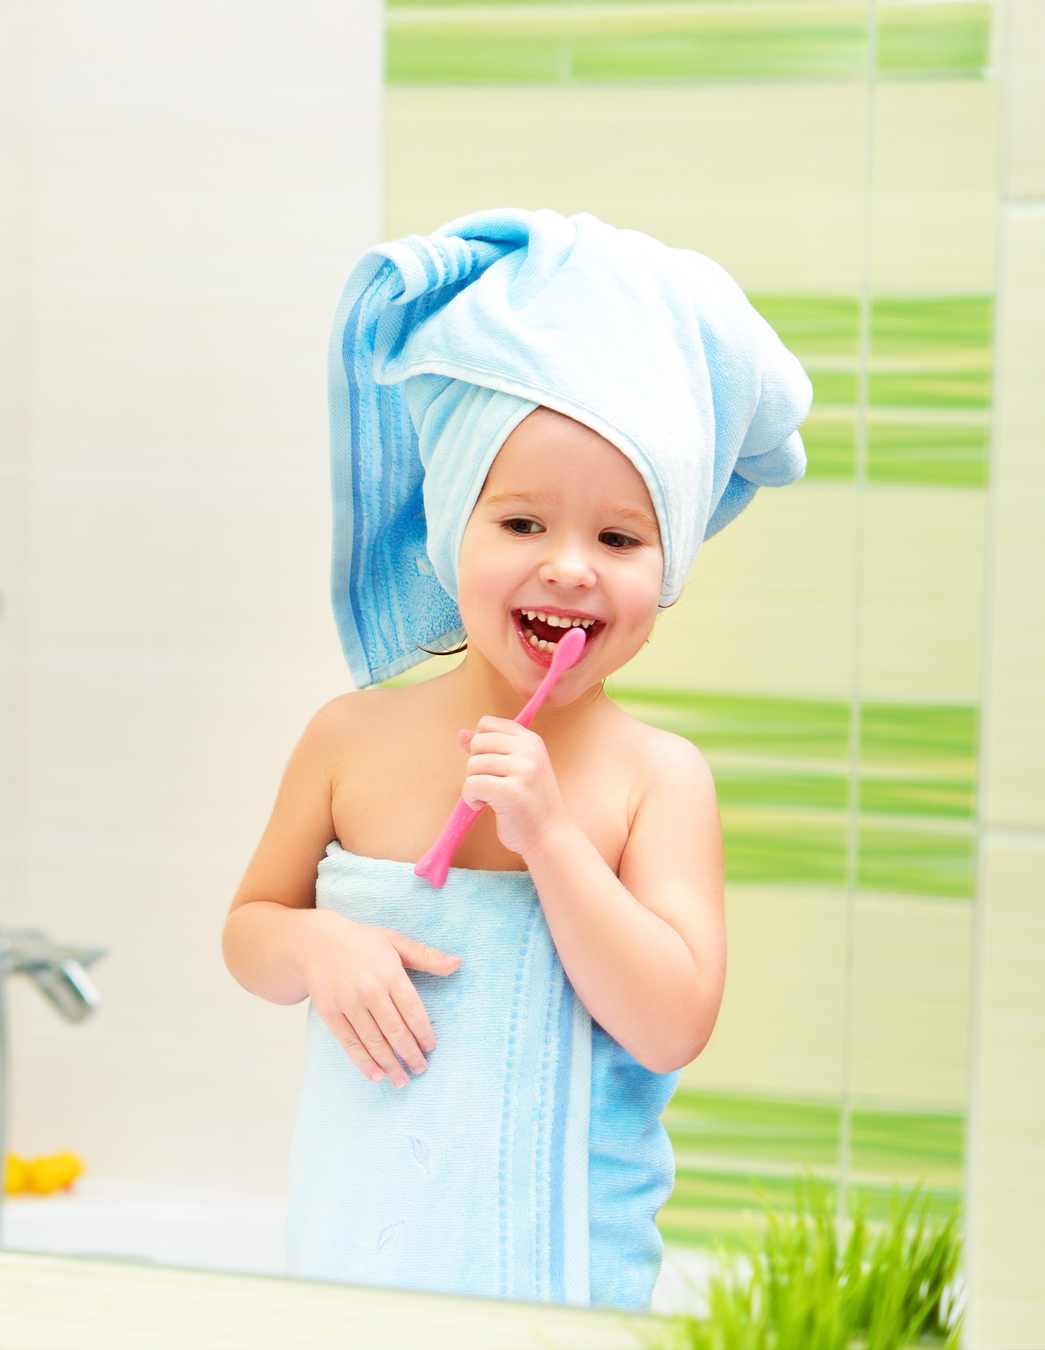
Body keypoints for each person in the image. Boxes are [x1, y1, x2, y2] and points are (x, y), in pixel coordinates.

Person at [222, 209, 811, 1312]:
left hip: (558, 1292)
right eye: (523, 524)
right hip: (356, 1274)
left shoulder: (655, 779)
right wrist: (312, 944)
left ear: (668, 566)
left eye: (620, 538)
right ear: (452, 530)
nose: (571, 569)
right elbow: (249, 933)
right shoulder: (349, 738)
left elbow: (671, 1023)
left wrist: (550, 838)